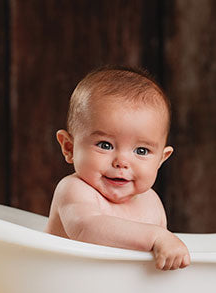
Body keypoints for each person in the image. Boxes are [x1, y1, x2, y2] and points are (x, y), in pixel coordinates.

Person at [46, 66, 190, 270]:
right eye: (105, 145)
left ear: (161, 159)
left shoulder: (151, 201)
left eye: (141, 151)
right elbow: (86, 228)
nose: (122, 162)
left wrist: (166, 247)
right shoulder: (73, 189)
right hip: (62, 287)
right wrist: (157, 237)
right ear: (69, 147)